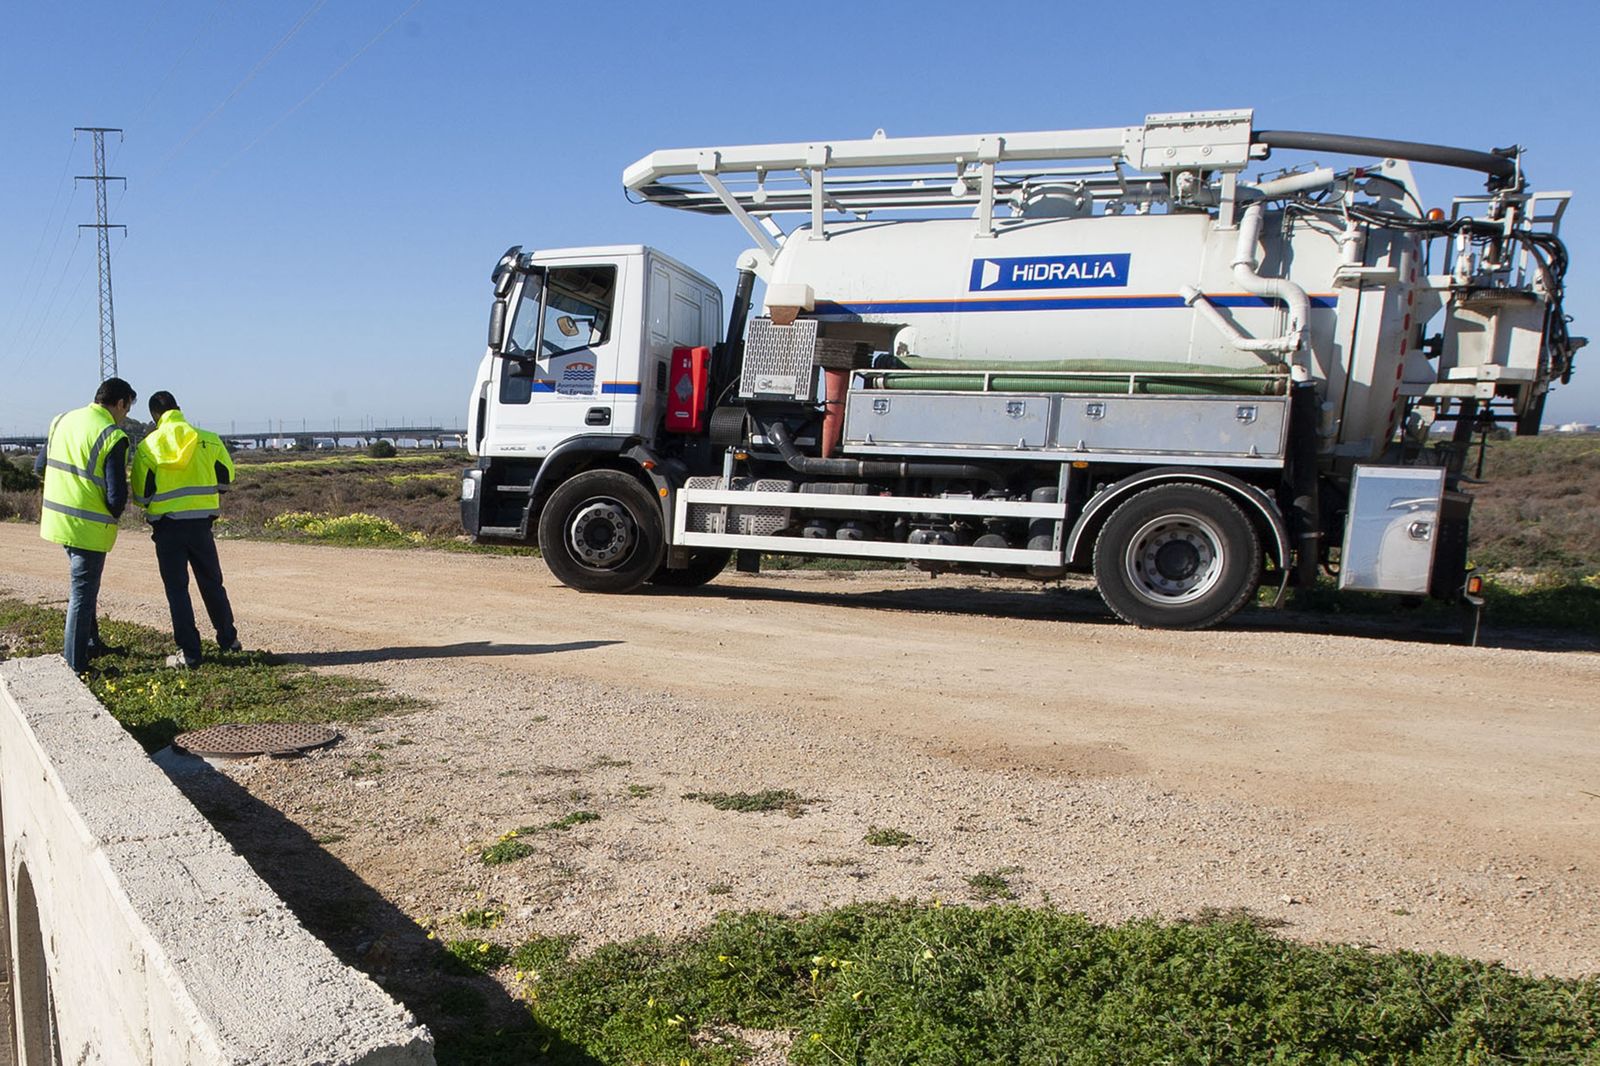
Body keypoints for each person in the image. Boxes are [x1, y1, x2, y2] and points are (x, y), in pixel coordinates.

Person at [130, 391, 241, 668]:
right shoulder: (209, 439)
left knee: (177, 590)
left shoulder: (148, 445)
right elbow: (226, 480)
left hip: (167, 528)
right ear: (179, 408)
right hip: (202, 525)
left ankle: (190, 653)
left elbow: (141, 495)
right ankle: (229, 640)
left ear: (155, 415)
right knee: (212, 583)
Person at [36, 377, 136, 673]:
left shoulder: (61, 420)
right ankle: (76, 665)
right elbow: (117, 496)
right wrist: (112, 512)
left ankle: (91, 644)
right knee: (81, 594)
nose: (125, 416)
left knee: (85, 588)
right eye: (127, 409)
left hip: (58, 520)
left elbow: (39, 466)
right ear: (120, 403)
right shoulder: (112, 436)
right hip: (88, 526)